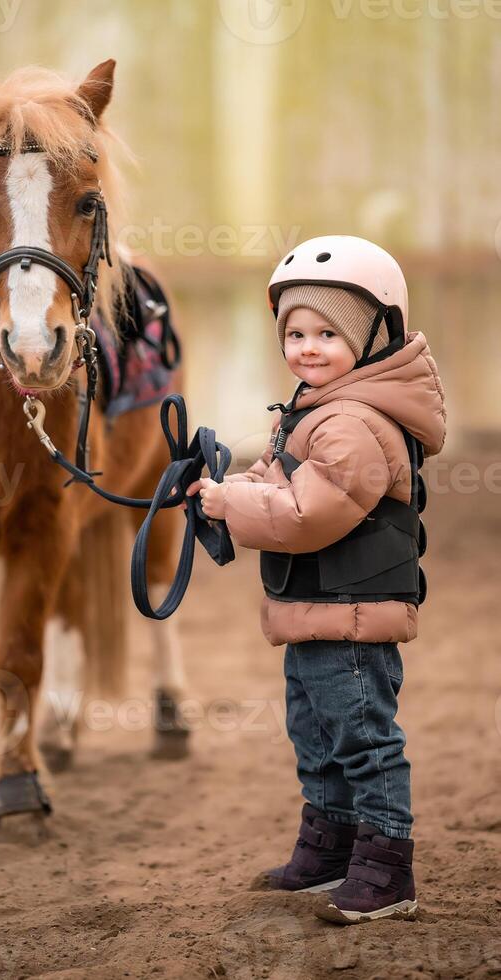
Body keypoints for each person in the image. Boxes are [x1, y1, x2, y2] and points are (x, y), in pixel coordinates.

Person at [186, 236, 446, 924]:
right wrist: (223, 487)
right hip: (316, 612)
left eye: (328, 333)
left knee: (363, 741)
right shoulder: (315, 411)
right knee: (318, 738)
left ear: (371, 338)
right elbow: (277, 483)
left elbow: (308, 514)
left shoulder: (356, 422)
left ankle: (387, 870)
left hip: (352, 618)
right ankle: (331, 843)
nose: (306, 346)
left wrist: (229, 505)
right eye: (296, 332)